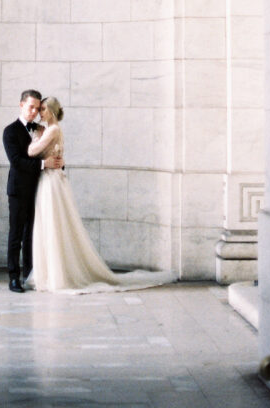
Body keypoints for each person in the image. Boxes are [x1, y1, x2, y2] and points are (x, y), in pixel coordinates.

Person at [27, 96, 176, 293]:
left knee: (53, 225)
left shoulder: (52, 130)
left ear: (52, 111)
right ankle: (52, 274)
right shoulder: (51, 130)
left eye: (44, 109)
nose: (41, 113)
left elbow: (31, 151)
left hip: (51, 182)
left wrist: (36, 137)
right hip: (53, 180)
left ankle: (55, 276)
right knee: (52, 225)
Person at [2, 89, 63, 293]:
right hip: (18, 190)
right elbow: (17, 161)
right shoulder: (10, 131)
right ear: (21, 105)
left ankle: (30, 274)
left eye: (38, 108)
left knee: (32, 234)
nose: (35, 112)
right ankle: (13, 278)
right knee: (16, 235)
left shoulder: (41, 129)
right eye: (31, 107)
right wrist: (43, 165)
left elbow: (51, 151)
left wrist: (59, 163)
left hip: (39, 189)